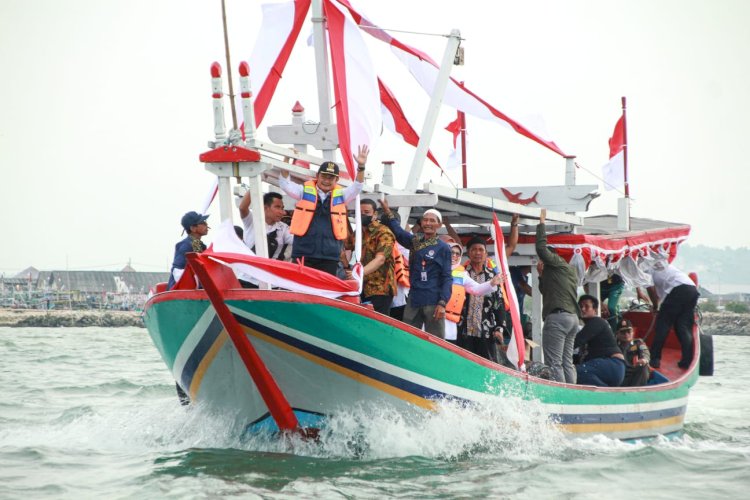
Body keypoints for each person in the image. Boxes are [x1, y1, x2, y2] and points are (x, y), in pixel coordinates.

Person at [279, 145, 369, 275]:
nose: (326, 181)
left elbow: (357, 186)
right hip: (304, 253)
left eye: (331, 178)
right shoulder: (303, 191)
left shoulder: (342, 195)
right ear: (317, 176)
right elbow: (285, 184)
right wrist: (286, 158)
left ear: (336, 180)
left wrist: (361, 167)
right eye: (324, 176)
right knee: (303, 291)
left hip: (329, 256)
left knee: (324, 291)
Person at [379, 200, 452, 338]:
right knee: (408, 337)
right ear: (421, 223)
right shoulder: (415, 242)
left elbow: (447, 277)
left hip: (433, 300)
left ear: (439, 225)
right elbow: (399, 232)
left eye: (432, 220)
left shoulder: (444, 248)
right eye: (425, 220)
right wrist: (388, 213)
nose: (428, 223)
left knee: (436, 341)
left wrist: (442, 303)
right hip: (414, 299)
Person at [535, 208, 581, 383]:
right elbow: (547, 292)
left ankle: (561, 395)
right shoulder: (567, 270)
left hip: (558, 318)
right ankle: (572, 393)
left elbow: (541, 247)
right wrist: (541, 276)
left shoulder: (555, 262)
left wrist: (541, 223)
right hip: (572, 318)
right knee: (566, 362)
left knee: (554, 363)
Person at [457, 237, 507, 361]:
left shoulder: (493, 276)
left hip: (486, 331)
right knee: (463, 363)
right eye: (474, 250)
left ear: (486, 254)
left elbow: (498, 304)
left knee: (487, 364)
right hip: (463, 330)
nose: (477, 253)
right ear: (468, 253)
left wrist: (499, 328)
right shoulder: (461, 274)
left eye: (481, 250)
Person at [645, 261, 699, 369]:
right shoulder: (660, 264)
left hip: (678, 289)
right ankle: (687, 361)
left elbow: (650, 290)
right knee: (682, 327)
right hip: (691, 289)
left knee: (662, 325)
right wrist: (658, 304)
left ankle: (654, 359)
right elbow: (661, 293)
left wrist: (655, 306)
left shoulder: (644, 268)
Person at [355, 199, 397, 315]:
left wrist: (359, 273)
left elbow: (380, 259)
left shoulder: (383, 232)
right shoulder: (358, 232)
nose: (363, 215)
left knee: (378, 324)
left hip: (380, 288)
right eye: (360, 212)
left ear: (375, 214)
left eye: (366, 212)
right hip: (361, 287)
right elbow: (346, 245)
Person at [575, 294, 627, 387]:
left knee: (575, 372)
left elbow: (576, 341)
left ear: (595, 310)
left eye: (587, 306)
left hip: (613, 364)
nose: (582, 309)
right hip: (604, 367)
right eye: (580, 306)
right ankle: (607, 395)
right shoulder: (587, 328)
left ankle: (607, 395)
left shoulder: (597, 321)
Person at [239, 191, 293, 261]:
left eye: (282, 208)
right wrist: (255, 184)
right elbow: (242, 208)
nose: (282, 212)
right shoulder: (253, 220)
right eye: (277, 207)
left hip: (269, 270)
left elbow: (296, 241)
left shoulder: (284, 228)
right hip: (249, 268)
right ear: (265, 208)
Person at [167, 211, 209, 290]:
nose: (206, 225)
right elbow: (178, 272)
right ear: (193, 228)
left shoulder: (201, 246)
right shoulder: (185, 246)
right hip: (182, 293)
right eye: (202, 223)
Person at [616, 318, 651, 386]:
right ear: (617, 333)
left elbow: (644, 351)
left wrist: (644, 359)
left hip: (635, 374)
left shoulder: (638, 343)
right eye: (623, 332)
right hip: (621, 376)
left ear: (633, 332)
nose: (626, 334)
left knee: (644, 367)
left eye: (628, 331)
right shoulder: (614, 346)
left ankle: (635, 392)